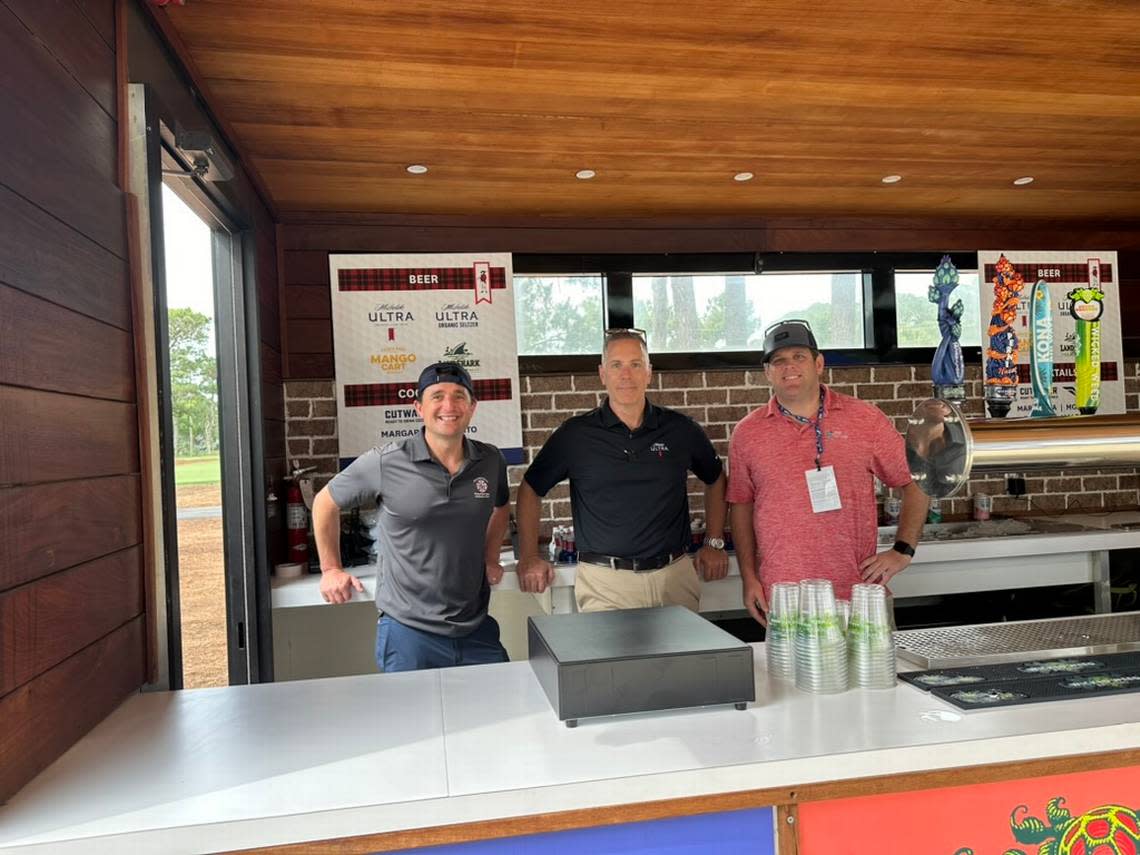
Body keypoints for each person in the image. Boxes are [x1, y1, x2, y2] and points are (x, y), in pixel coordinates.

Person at [727, 319, 928, 625]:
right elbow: (741, 506)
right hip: (783, 599)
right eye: (778, 361)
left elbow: (915, 482)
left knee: (871, 675)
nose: (789, 367)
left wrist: (903, 549)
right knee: (788, 675)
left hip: (858, 597)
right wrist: (749, 578)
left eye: (799, 357)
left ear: (818, 363)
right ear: (767, 373)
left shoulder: (865, 419)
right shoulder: (747, 433)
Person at [313, 362, 511, 672]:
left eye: (459, 396)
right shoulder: (387, 461)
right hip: (409, 634)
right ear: (418, 407)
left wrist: (491, 557)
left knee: (501, 711)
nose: (449, 405)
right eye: (437, 396)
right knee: (412, 721)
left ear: (472, 407)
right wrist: (330, 568)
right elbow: (325, 502)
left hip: (476, 629)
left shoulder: (490, 460)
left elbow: (501, 507)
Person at [516, 328, 729, 612]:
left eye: (635, 364)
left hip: (674, 577)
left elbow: (716, 479)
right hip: (606, 584)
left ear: (649, 372)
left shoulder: (680, 429)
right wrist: (529, 555)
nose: (626, 375)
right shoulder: (575, 435)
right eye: (617, 365)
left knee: (682, 659)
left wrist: (714, 542)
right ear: (603, 374)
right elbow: (530, 489)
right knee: (615, 659)